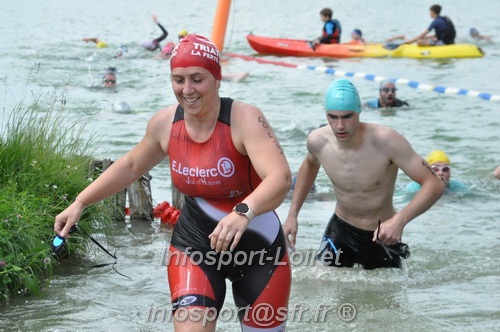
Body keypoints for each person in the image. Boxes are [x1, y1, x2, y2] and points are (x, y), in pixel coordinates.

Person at [54, 34, 292, 331]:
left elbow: (280, 178)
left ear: (218, 79)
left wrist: (244, 211)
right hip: (194, 246)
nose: (187, 90)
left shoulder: (245, 119)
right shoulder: (165, 124)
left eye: (197, 79)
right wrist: (80, 202)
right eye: (178, 79)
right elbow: (129, 166)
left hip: (259, 248)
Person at [283, 79, 444, 269]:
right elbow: (309, 166)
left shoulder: (387, 141)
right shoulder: (318, 141)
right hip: (340, 229)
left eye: (347, 116)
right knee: (320, 285)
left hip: (382, 234)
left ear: (359, 111)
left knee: (385, 296)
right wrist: (293, 215)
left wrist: (399, 221)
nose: (340, 125)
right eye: (333, 117)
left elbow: (434, 184)